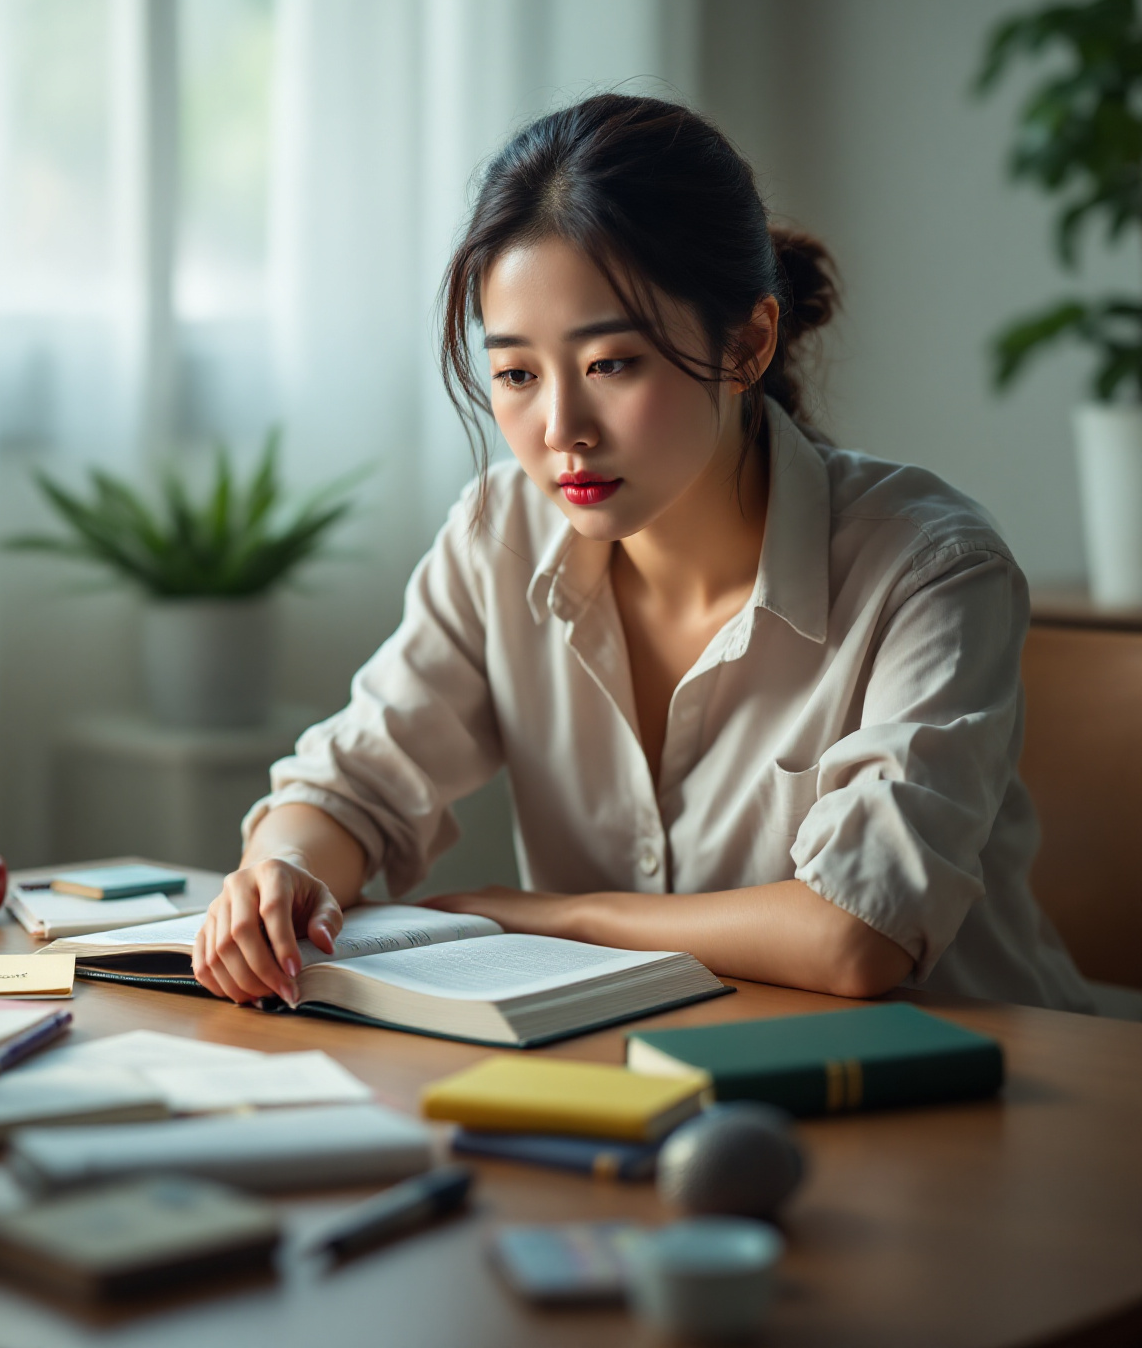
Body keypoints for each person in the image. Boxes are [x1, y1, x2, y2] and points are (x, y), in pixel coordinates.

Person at [192, 94, 1093, 1015]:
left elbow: (854, 935)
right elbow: (353, 785)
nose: (559, 431)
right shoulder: (499, 536)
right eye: (515, 374)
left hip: (980, 1090)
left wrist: (560, 920)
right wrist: (287, 869)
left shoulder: (930, 569)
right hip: (646, 1084)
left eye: (611, 364)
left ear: (745, 343)